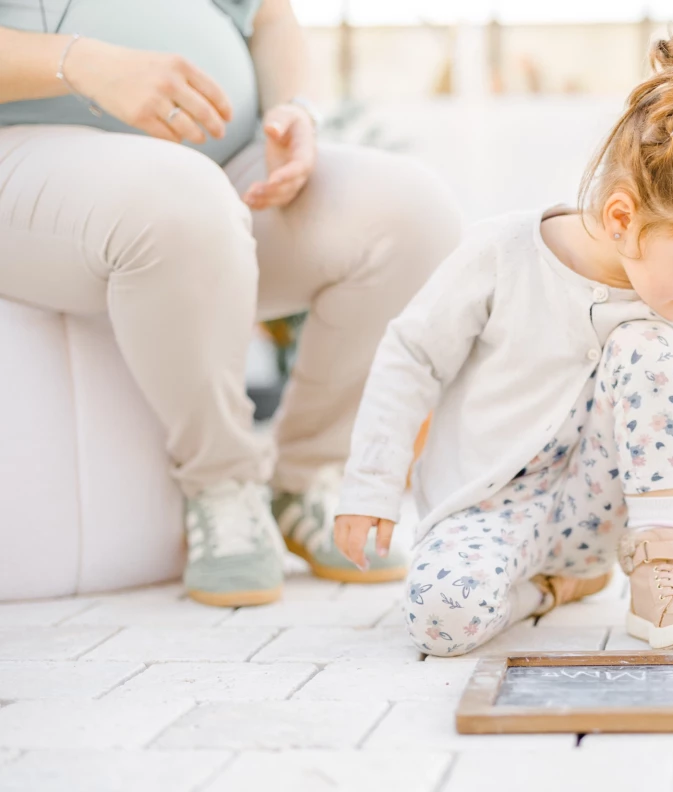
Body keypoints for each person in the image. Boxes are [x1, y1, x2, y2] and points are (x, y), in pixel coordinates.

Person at [332, 22, 673, 656]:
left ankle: (664, 561)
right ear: (621, 217)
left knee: (653, 344)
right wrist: (371, 483)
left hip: (602, 518)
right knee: (441, 619)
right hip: (485, 511)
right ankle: (560, 589)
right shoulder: (502, 254)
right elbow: (412, 356)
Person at [0, 0, 462, 607]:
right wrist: (81, 64)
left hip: (224, 162)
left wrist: (292, 108)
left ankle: (309, 478)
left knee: (413, 214)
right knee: (182, 202)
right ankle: (222, 484)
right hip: (27, 151)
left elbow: (268, 16)